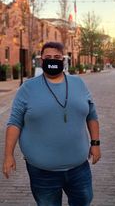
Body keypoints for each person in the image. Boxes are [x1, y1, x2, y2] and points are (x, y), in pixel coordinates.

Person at [2, 41, 101, 206]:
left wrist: (96, 143)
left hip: (79, 167)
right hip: (42, 172)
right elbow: (14, 123)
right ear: (42, 60)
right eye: (48, 57)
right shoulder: (28, 88)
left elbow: (92, 115)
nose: (52, 60)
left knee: (84, 200)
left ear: (63, 60)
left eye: (57, 57)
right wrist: (8, 155)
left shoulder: (79, 84)